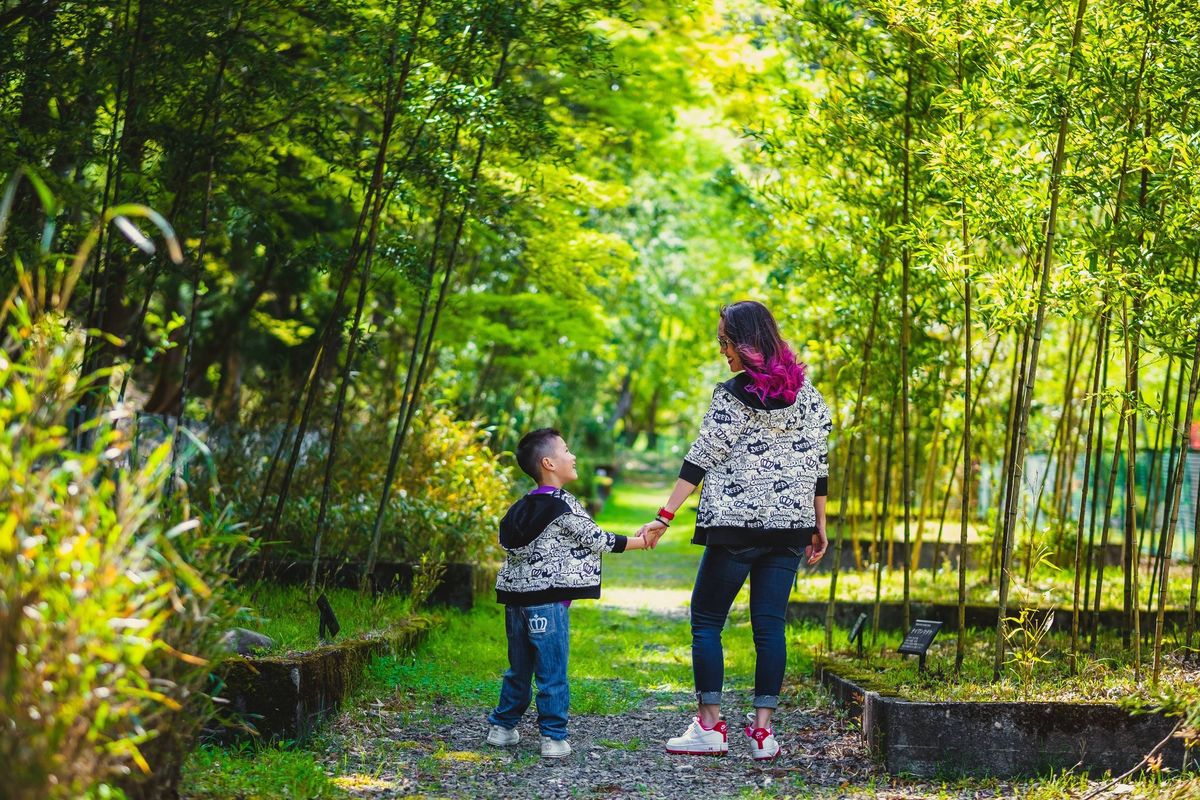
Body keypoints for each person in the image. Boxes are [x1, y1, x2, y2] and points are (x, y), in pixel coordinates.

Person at [639, 300, 831, 760]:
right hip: (790, 530)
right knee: (770, 627)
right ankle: (763, 735)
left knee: (707, 620)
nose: (722, 351)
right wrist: (818, 525)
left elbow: (700, 457)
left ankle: (710, 727)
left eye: (725, 342)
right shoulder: (811, 397)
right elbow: (818, 464)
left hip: (736, 529)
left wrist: (663, 517)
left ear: (746, 343)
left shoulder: (732, 395)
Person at [486, 427, 649, 758]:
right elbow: (598, 539)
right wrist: (641, 541)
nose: (572, 456)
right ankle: (553, 738)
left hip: (515, 602)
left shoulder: (520, 507)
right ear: (548, 462)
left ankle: (502, 729)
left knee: (518, 669)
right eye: (566, 450)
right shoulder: (562, 504)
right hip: (547, 605)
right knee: (552, 673)